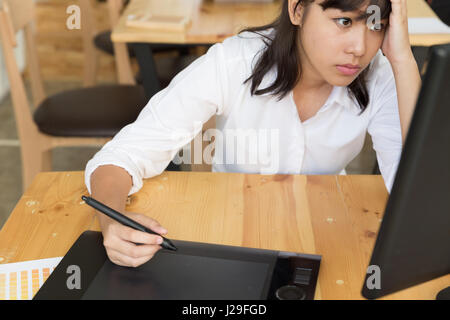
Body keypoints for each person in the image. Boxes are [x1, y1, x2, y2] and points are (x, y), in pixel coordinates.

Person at [84, 0, 421, 267]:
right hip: (233, 240)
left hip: (328, 239)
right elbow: (124, 153)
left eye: (376, 24)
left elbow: (420, 191)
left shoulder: (380, 76)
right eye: (344, 21)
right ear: (297, 9)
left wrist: (403, 59)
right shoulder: (234, 62)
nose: (359, 48)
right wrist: (112, 223)